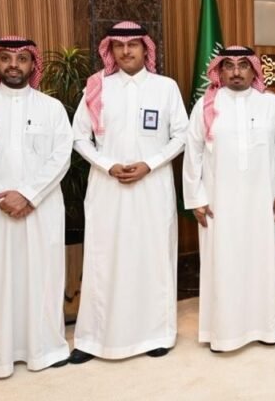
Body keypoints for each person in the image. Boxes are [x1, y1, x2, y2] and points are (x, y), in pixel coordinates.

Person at [69, 21, 188, 364]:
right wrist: (108, 165)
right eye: (118, 46)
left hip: (153, 187)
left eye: (132, 44)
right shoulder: (97, 87)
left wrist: (150, 163)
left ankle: (156, 334)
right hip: (108, 188)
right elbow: (79, 137)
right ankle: (93, 339)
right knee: (103, 259)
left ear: (145, 48)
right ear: (110, 50)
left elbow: (182, 134)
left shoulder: (165, 87)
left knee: (152, 257)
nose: (125, 51)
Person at [0, 37, 72, 383]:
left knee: (42, 278)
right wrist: (1, 196)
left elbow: (61, 156)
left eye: (21, 59)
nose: (13, 65)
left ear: (32, 64)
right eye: (6, 58)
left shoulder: (51, 108)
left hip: (41, 208)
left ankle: (46, 350)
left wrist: (28, 195)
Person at [183, 46, 275, 352]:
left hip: (263, 200)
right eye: (229, 65)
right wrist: (195, 198)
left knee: (262, 260)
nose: (236, 71)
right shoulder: (206, 105)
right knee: (223, 262)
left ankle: (266, 328)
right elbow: (192, 153)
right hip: (219, 202)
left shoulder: (270, 104)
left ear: (254, 70)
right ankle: (224, 332)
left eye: (243, 65)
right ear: (219, 71)